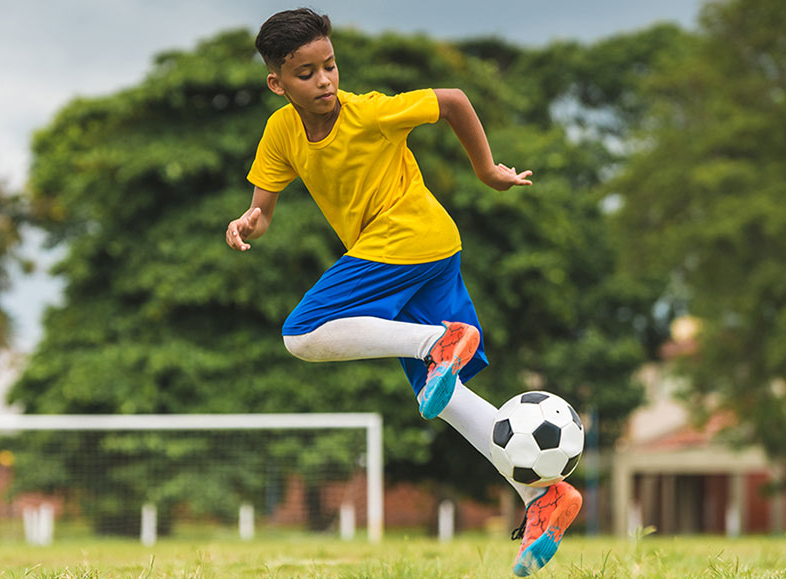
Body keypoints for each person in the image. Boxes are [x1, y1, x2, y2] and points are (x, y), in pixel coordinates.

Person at [225, 8, 581, 575]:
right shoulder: (281, 132)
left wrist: (487, 171)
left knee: (301, 333)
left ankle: (437, 342)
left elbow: (454, 100)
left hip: (409, 240)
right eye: (307, 73)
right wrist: (247, 224)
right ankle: (543, 496)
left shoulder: (369, 113)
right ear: (277, 83)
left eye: (331, 66)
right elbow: (263, 209)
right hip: (429, 254)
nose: (324, 81)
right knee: (443, 398)